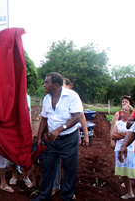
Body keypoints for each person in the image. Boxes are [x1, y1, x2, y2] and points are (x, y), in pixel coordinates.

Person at [31, 72, 83, 201]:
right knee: (48, 168)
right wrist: (39, 137)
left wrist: (60, 129)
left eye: (47, 82)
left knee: (70, 170)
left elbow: (76, 117)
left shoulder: (72, 96)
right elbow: (44, 118)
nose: (44, 85)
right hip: (52, 141)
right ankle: (44, 197)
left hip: (69, 139)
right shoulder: (47, 98)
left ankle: (67, 197)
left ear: (56, 84)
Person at [51, 78, 89, 198]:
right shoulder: (53, 98)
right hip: (54, 137)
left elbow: (81, 117)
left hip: (69, 135)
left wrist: (86, 135)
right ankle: (55, 186)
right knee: (55, 163)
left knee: (69, 164)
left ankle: (69, 191)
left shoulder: (73, 98)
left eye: (63, 85)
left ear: (68, 86)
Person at [112, 104, 135, 200]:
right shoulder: (117, 123)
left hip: (131, 151)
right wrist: (129, 134)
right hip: (119, 150)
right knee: (124, 173)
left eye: (126, 110)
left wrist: (120, 134)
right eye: (122, 109)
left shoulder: (133, 124)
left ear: (130, 113)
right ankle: (130, 193)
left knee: (134, 175)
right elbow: (113, 136)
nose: (123, 111)